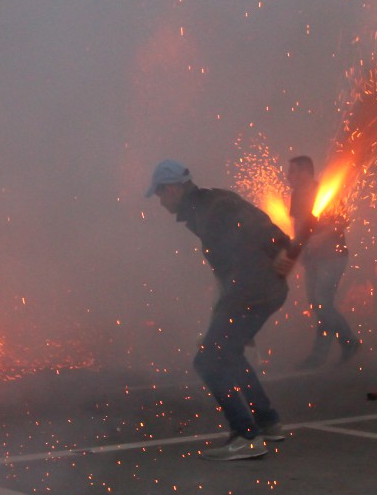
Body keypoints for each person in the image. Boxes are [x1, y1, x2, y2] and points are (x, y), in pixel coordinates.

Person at [146, 159, 295, 461]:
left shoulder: (209, 212)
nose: (160, 201)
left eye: (161, 194)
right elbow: (262, 227)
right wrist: (284, 247)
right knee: (230, 351)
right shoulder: (214, 202)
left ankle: (246, 436)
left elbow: (237, 263)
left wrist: (231, 306)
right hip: (264, 288)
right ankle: (267, 422)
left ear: (174, 188)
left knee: (208, 359)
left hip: (252, 289)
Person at [287, 156, 359, 369]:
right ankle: (345, 345)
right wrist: (299, 250)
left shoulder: (324, 191)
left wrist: (319, 238)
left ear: (305, 173)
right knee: (317, 305)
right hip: (313, 259)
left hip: (333, 257)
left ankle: (325, 353)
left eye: (292, 171)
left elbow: (342, 220)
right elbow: (298, 224)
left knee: (322, 303)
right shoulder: (296, 195)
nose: (288, 176)